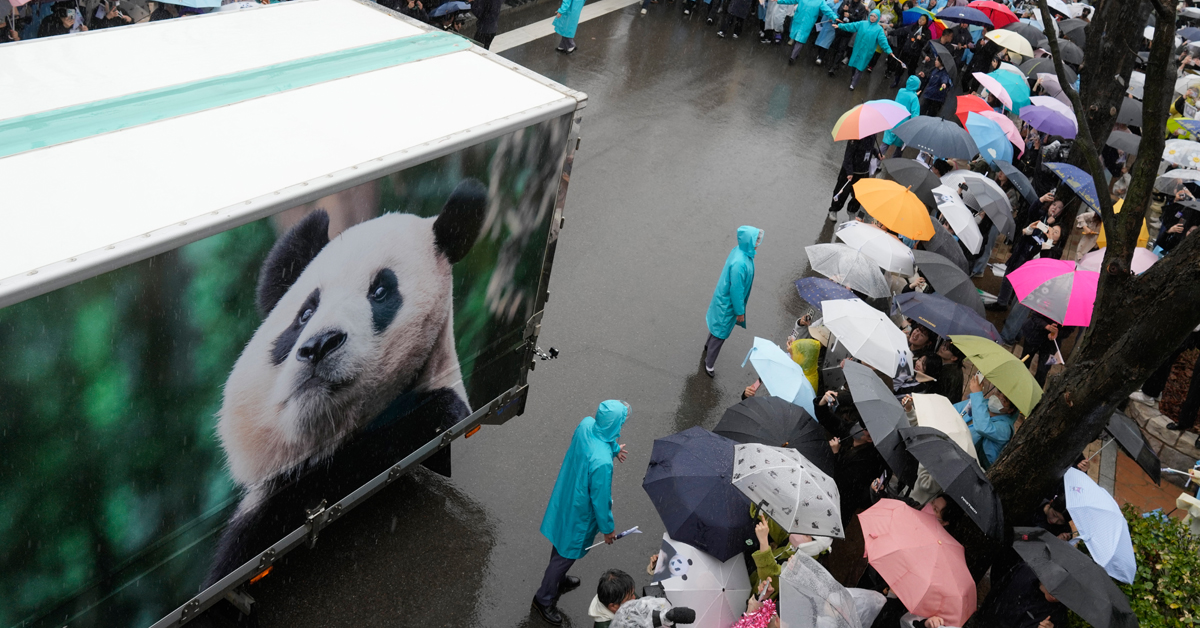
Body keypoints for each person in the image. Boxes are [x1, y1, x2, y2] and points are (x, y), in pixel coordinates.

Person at [535, 400, 631, 626]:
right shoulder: (602, 464)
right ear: (615, 426)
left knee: (561, 544)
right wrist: (608, 530)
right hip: (580, 512)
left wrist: (615, 449)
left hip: (567, 496)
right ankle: (544, 598)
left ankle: (557, 580)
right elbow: (601, 501)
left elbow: (599, 439)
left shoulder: (586, 424)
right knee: (566, 555)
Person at [703, 226, 762, 377]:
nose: (758, 242)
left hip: (723, 299)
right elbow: (736, 290)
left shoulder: (739, 251)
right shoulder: (740, 264)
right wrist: (740, 312)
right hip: (728, 305)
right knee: (721, 333)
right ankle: (709, 364)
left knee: (716, 327)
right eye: (756, 239)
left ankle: (708, 346)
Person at [954, 376, 1018, 467]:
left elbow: (983, 427)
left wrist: (976, 394)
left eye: (1004, 400)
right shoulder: (980, 403)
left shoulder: (1005, 430)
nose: (998, 397)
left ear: (1010, 410)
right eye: (999, 392)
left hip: (969, 466)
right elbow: (951, 410)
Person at [832, 10, 900, 90]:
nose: (872, 18)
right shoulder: (862, 23)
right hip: (858, 48)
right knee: (854, 65)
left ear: (877, 18)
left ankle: (853, 84)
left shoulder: (879, 30)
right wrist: (840, 26)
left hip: (867, 52)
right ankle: (853, 77)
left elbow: (883, 41)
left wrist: (889, 51)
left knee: (860, 67)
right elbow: (852, 26)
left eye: (875, 17)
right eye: (871, 15)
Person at [828, 135, 879, 221]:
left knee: (858, 194)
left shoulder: (873, 134)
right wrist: (849, 171)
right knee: (842, 191)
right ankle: (834, 209)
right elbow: (848, 155)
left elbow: (870, 148)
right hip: (850, 171)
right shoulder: (855, 135)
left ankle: (852, 211)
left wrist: (877, 153)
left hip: (863, 171)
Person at [781, 0, 839, 64]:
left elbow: (827, 10)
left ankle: (792, 57)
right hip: (798, 20)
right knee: (796, 37)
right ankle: (795, 53)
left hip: (807, 23)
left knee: (800, 40)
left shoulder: (820, 2)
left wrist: (834, 17)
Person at [822, 0, 867, 74]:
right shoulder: (847, 1)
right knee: (835, 46)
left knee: (841, 48)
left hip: (848, 30)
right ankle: (830, 62)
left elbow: (859, 20)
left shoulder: (861, 7)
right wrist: (843, 9)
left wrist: (850, 16)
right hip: (840, 26)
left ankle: (834, 67)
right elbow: (839, 11)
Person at [883, 75, 922, 157]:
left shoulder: (901, 91)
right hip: (904, 125)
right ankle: (893, 165)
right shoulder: (914, 99)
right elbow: (915, 115)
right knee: (899, 148)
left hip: (893, 121)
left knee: (886, 142)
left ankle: (877, 162)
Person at [891, 15, 930, 88]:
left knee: (911, 69)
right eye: (920, 18)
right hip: (906, 51)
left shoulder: (927, 32)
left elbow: (927, 44)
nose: (920, 20)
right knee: (900, 66)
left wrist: (921, 39)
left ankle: (910, 84)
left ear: (926, 22)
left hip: (915, 54)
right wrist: (891, 32)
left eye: (923, 19)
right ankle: (896, 81)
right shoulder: (913, 27)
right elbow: (902, 31)